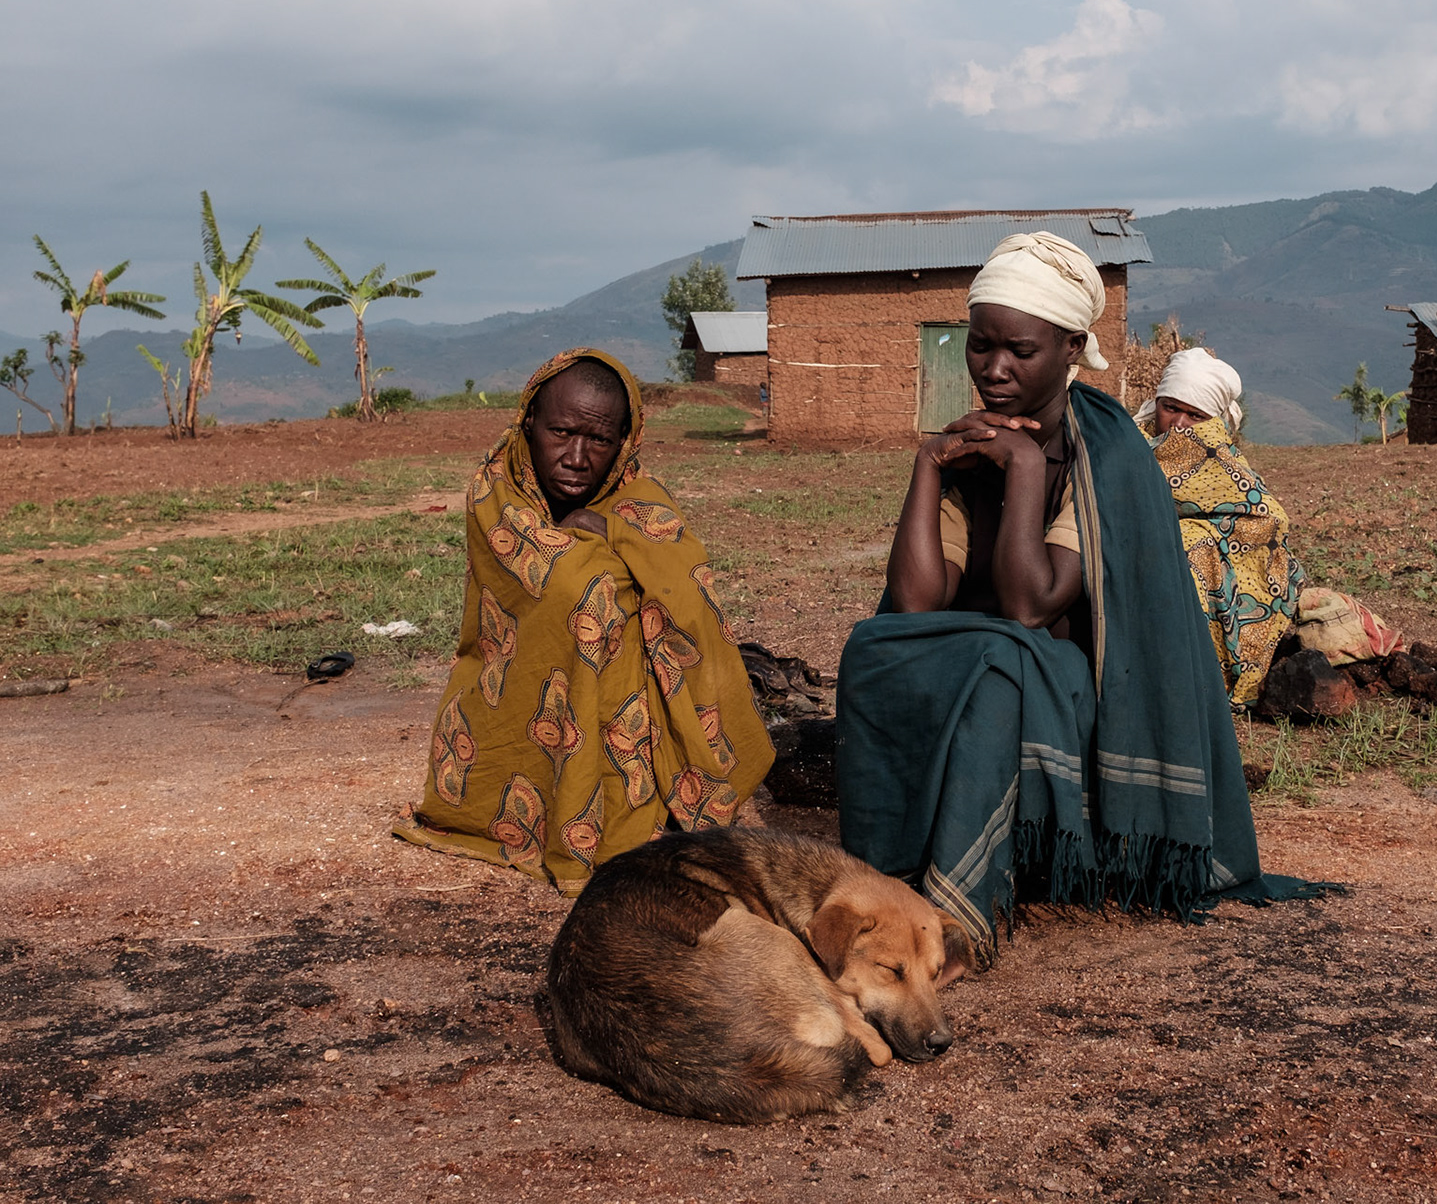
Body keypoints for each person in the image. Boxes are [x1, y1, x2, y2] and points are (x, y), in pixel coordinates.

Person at [834, 234, 1333, 966]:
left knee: (1001, 666)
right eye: (980, 347)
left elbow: (1032, 606)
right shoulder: (971, 446)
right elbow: (912, 607)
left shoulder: (1107, 456)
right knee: (872, 649)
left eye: (1020, 352)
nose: (994, 370)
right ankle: (891, 877)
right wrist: (929, 466)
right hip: (986, 657)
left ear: (1071, 349)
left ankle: (951, 915)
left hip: (1083, 696)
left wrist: (1029, 469)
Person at [395, 348, 773, 895]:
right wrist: (608, 558)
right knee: (592, 595)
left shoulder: (639, 498)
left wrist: (611, 531)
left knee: (646, 595)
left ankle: (634, 800)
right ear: (529, 424)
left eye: (599, 440)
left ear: (625, 441)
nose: (576, 457)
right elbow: (557, 581)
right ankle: (565, 813)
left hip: (619, 689)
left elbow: (685, 576)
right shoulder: (493, 491)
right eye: (561, 432)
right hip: (518, 690)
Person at [1134, 348, 1307, 707]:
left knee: (1189, 546)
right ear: (1157, 404)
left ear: (1213, 421)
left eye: (1195, 415)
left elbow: (1267, 520)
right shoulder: (1129, 442)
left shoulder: (1219, 458)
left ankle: (1196, 679)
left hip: (1217, 567)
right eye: (1170, 407)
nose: (1179, 423)